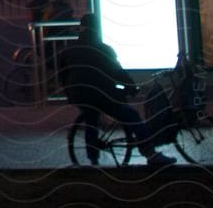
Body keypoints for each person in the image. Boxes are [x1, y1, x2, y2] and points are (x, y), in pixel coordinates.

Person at [58, 15, 175, 166]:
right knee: (132, 116)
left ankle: (93, 158)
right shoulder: (103, 49)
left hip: (79, 95)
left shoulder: (70, 50)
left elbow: (62, 74)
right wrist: (132, 87)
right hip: (101, 94)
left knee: (91, 119)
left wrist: (69, 92)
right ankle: (150, 153)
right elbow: (117, 72)